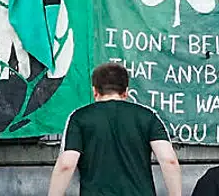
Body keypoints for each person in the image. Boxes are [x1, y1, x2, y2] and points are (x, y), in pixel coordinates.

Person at [48, 62, 181, 196]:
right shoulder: (148, 116)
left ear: (94, 91)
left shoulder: (79, 117)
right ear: (126, 92)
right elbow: (169, 160)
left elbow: (66, 164)